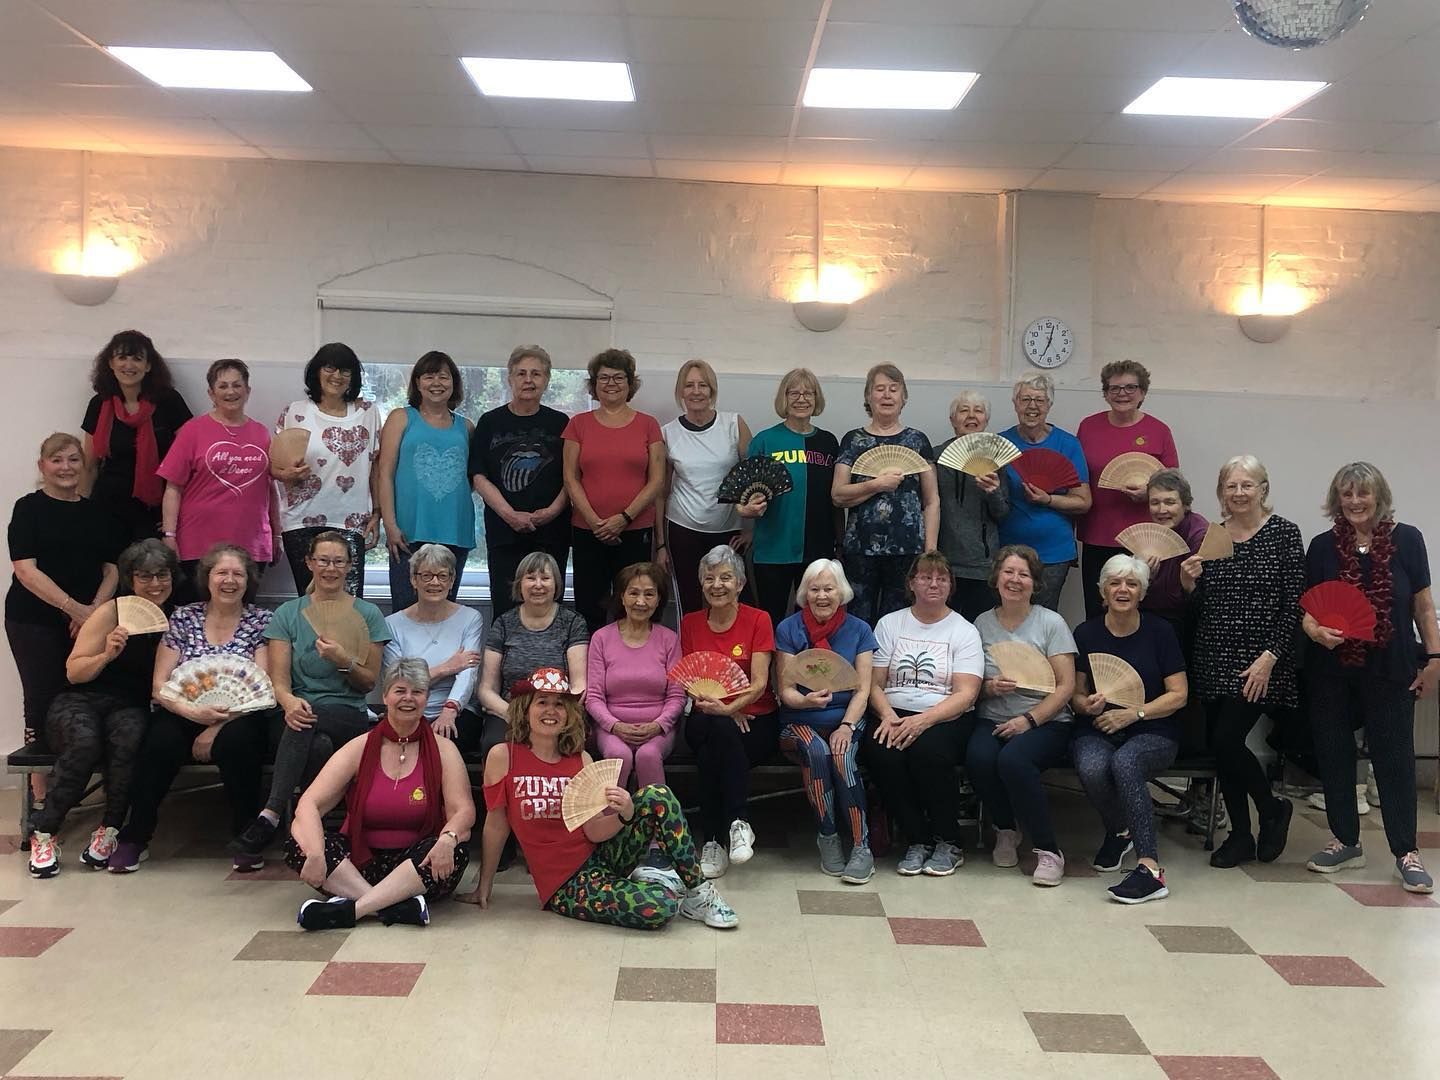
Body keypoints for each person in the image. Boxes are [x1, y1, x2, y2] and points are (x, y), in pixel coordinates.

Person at [462, 667, 738, 930]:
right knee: (660, 906)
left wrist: (624, 814)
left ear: (569, 713)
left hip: (601, 858)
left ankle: (699, 892)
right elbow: (496, 824)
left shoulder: (581, 759)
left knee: (658, 794)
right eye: (542, 702)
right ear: (526, 709)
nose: (551, 711)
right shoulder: (504, 756)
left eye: (559, 704)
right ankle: (655, 882)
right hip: (565, 885)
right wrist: (484, 885)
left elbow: (593, 831)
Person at [1301, 463, 1438, 894]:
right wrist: (1314, 631)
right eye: (1347, 494)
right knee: (1334, 752)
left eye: (1363, 493)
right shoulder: (1322, 546)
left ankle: (1407, 853)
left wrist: (1435, 658)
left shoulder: (1408, 539)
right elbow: (1307, 610)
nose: (1355, 501)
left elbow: (1423, 606)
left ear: (1379, 497)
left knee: (1394, 756)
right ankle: (1345, 841)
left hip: (1391, 665)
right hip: (1331, 667)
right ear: (1336, 499)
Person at [110, 544, 276, 873]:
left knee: (238, 743)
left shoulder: (262, 621)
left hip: (240, 714)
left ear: (249, 581)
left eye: (238, 574)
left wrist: (214, 727)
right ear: (207, 577)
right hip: (183, 708)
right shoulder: (184, 617)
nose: (230, 580)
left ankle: (246, 836)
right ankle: (136, 836)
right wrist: (194, 714)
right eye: (222, 572)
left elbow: (261, 687)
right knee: (161, 742)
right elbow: (160, 685)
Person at [228, 532, 391, 861]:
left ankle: (271, 814)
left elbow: (368, 683)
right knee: (317, 743)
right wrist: (289, 703)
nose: (330, 568)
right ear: (309, 563)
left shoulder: (368, 614)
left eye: (339, 561)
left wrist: (343, 660)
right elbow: (279, 682)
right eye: (323, 560)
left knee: (312, 719)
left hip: (348, 714)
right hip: (294, 715)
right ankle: (315, 833)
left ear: (350, 566)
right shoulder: (288, 613)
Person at [286, 658, 476, 930]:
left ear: (426, 698)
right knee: (300, 837)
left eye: (417, 692)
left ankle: (351, 910)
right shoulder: (359, 747)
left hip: (414, 865)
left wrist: (448, 839)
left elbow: (464, 810)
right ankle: (394, 906)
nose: (408, 698)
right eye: (400, 691)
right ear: (385, 696)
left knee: (455, 848)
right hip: (360, 863)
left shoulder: (444, 749)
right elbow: (309, 803)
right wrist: (316, 854)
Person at [26, 540, 177, 878]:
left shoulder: (179, 616)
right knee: (84, 743)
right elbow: (74, 671)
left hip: (131, 705)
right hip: (81, 698)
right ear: (130, 580)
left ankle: (109, 829)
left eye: (162, 575)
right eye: (145, 576)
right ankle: (44, 832)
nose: (155, 584)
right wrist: (107, 654)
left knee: (128, 742)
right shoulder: (112, 611)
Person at [1183, 456, 1302, 870]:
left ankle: (1271, 809)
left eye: (1247, 485)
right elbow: (1202, 606)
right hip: (1213, 656)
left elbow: (1294, 604)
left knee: (1226, 741)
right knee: (1224, 750)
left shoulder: (1284, 533)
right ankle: (1240, 836)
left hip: (1261, 661)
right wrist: (1189, 585)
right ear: (1221, 492)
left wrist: (1270, 658)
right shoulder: (1212, 537)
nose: (1238, 493)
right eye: (1230, 486)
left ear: (1262, 489)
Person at [7, 433, 123, 815]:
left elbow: (112, 568)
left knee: (86, 691)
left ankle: (79, 775)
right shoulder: (28, 509)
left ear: (83, 466)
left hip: (87, 618)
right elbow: (26, 571)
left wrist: (94, 613)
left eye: (73, 459)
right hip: (33, 619)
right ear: (42, 466)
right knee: (41, 695)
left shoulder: (97, 512)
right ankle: (41, 789)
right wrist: (75, 610)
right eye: (57, 460)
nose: (66, 467)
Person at [1072, 555, 1189, 904]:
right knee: (1092, 766)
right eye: (1115, 583)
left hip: (1153, 729)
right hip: (1098, 727)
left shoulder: (1160, 632)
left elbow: (1179, 695)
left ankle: (1150, 869)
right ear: (1102, 591)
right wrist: (1086, 704)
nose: (1123, 589)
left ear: (1142, 592)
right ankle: (1121, 829)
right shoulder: (1086, 633)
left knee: (1126, 762)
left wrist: (1134, 714)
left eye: (1132, 583)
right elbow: (1076, 694)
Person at [865, 552, 983, 877]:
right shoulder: (890, 624)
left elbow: (967, 694)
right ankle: (917, 839)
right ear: (911, 583)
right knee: (882, 753)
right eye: (926, 577)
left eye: (942, 578)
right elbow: (873, 683)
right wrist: (888, 715)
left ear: (951, 586)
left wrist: (922, 721)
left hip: (945, 714)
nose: (934, 584)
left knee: (929, 752)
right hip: (893, 711)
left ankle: (949, 841)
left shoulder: (964, 630)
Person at [969, 546, 1077, 885]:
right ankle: (1005, 829)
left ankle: (1049, 850)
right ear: (996, 578)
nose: (1015, 580)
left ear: (1035, 583)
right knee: (979, 758)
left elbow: (1066, 686)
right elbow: (971, 684)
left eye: (1024, 574)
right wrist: (989, 687)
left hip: (1046, 721)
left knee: (1014, 760)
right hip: (993, 716)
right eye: (1009, 572)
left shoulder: (1051, 623)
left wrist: (1029, 720)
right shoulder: (982, 623)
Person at [774, 558, 876, 884]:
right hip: (798, 719)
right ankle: (827, 835)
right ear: (805, 593)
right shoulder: (789, 629)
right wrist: (806, 701)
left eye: (828, 589)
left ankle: (861, 845)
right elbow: (786, 690)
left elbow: (863, 690)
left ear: (841, 592)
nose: (821, 596)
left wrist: (846, 726)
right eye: (814, 589)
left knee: (842, 755)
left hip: (847, 717)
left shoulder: (860, 630)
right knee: (817, 751)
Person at [680, 545, 778, 879]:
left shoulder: (759, 619)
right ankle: (739, 822)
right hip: (705, 716)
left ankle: (712, 841)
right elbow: (690, 680)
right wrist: (723, 711)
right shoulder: (691, 623)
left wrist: (731, 708)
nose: (717, 585)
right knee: (718, 730)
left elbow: (760, 683)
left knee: (713, 752)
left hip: (756, 720)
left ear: (740, 584)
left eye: (725, 578)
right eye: (709, 578)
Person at [563, 348, 665, 633]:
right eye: (604, 377)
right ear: (594, 384)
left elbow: (657, 480)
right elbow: (570, 478)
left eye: (618, 377)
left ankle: (632, 659)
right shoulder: (578, 424)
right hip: (587, 530)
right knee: (589, 605)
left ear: (630, 383)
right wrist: (595, 522)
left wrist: (624, 518)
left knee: (635, 604)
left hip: (635, 530)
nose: (611, 383)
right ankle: (590, 660)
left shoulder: (649, 425)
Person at [468, 345, 571, 621]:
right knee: (506, 610)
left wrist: (552, 511)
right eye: (521, 373)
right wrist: (509, 514)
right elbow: (479, 476)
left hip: (551, 533)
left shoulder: (561, 423)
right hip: (504, 533)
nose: (528, 380)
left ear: (546, 380)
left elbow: (572, 477)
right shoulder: (490, 422)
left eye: (536, 374)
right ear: (510, 378)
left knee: (549, 609)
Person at [832, 364, 939, 625]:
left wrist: (930, 551)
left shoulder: (917, 440)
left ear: (904, 398)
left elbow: (931, 500)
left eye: (894, 389)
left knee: (899, 622)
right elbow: (838, 495)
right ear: (868, 397)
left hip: (908, 549)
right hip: (860, 549)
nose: (887, 395)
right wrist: (877, 484)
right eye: (879, 389)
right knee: (857, 620)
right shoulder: (853, 440)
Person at [271, 343, 380, 596]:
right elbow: (275, 468)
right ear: (317, 372)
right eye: (329, 368)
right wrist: (287, 474)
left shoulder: (367, 412)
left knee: (350, 603)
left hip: (351, 521)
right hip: (301, 520)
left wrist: (377, 513)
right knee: (309, 602)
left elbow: (375, 467)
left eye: (345, 370)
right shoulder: (295, 411)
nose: (337, 376)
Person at [158, 359, 280, 582]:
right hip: (198, 544)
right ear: (211, 394)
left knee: (244, 605)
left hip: (251, 544)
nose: (230, 392)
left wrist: (277, 534)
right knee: (199, 605)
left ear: (247, 391)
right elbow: (173, 488)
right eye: (223, 386)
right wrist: (169, 535)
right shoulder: (192, 431)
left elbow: (270, 488)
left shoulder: (261, 433)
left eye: (237, 385)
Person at [1077, 361, 1179, 618]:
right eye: (1115, 388)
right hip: (1097, 535)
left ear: (1142, 392)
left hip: (1144, 539)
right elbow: (1077, 477)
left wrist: (1149, 493)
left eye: (1130, 387)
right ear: (1105, 393)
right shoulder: (1088, 427)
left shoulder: (1159, 430)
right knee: (1098, 610)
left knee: (1141, 610)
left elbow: (1173, 485)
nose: (1122, 394)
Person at [745, 367, 843, 628]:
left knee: (814, 623)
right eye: (794, 393)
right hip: (772, 549)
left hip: (818, 548)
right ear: (784, 398)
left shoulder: (829, 442)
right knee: (770, 620)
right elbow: (747, 493)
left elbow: (835, 499)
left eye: (808, 393)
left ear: (816, 398)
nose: (802, 399)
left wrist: (840, 542)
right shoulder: (765, 440)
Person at [378, 350, 475, 610]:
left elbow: (471, 478)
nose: (436, 383)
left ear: (454, 383)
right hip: (407, 531)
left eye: (443, 377)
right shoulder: (401, 417)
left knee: (445, 610)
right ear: (417, 383)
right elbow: (384, 473)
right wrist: (389, 524)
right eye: (429, 376)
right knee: (405, 609)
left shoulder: (466, 427)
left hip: (454, 530)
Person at [657, 359, 753, 614]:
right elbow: (661, 493)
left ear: (712, 390)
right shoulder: (668, 433)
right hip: (683, 528)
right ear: (681, 391)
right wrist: (660, 545)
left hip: (728, 529)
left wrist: (752, 531)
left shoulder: (734, 424)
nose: (696, 391)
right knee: (690, 603)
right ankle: (690, 643)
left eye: (703, 385)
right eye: (689, 385)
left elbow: (755, 480)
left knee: (734, 602)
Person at [477, 550, 589, 766]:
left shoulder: (573, 623)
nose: (538, 585)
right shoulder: (503, 623)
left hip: (558, 711)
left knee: (571, 742)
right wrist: (517, 714)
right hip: (509, 712)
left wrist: (554, 714)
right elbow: (486, 689)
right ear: (520, 584)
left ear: (556, 584)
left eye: (545, 578)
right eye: (530, 578)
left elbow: (579, 686)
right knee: (494, 743)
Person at [80, 329, 192, 543]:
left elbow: (190, 460)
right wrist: (82, 511)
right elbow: (89, 466)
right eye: (122, 357)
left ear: (148, 366)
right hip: (107, 507)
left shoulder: (169, 401)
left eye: (137, 359)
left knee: (152, 564)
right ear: (111, 363)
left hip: (156, 510)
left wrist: (178, 513)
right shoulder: (99, 403)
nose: (129, 365)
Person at [586, 562, 686, 789]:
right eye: (633, 593)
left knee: (647, 755)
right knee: (618, 756)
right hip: (611, 728)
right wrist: (615, 725)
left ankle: (656, 812)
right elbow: (594, 697)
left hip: (658, 728)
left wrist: (658, 725)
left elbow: (677, 696)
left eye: (649, 594)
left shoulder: (669, 639)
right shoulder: (601, 638)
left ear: (658, 600)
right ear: (622, 597)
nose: (641, 601)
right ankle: (610, 813)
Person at [996, 373, 1090, 611]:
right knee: (1008, 613)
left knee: (1044, 616)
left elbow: (1083, 501)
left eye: (1039, 400)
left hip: (1054, 551)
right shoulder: (1000, 443)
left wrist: (1048, 499)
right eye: (1025, 399)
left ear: (1049, 405)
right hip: (1008, 550)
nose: (1032, 406)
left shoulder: (1068, 444)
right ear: (1015, 404)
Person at [382, 544, 486, 756]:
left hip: (457, 710)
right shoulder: (392, 624)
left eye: (442, 576)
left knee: (448, 740)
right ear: (414, 580)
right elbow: (398, 682)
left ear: (452, 580)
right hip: (407, 707)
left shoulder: (470, 618)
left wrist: (450, 709)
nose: (435, 582)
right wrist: (446, 668)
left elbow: (467, 674)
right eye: (427, 575)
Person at [935, 391, 1009, 620]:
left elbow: (1003, 513)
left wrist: (994, 493)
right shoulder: (936, 457)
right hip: (944, 562)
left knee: (980, 627)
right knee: (943, 627)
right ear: (952, 419)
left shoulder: (997, 459)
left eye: (978, 410)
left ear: (986, 420)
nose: (971, 416)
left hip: (983, 564)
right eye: (964, 410)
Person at [1139, 468, 1209, 634]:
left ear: (1185, 504)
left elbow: (1200, 598)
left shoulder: (1199, 535)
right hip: (1150, 617)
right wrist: (1144, 577)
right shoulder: (1149, 532)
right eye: (1155, 503)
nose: (1161, 510)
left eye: (1170, 502)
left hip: (1186, 622)